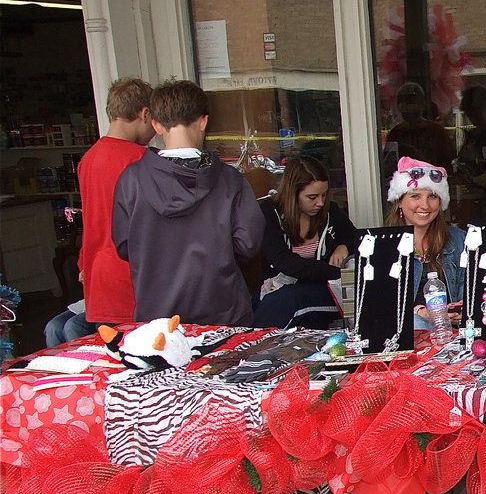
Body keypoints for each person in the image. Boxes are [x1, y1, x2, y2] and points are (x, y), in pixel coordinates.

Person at [112, 78, 265, 326]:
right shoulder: (229, 180)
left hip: (157, 315)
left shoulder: (132, 180)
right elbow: (248, 245)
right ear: (203, 122)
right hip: (223, 310)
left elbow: (124, 246)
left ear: (156, 125)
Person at [43, 77, 156, 347]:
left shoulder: (89, 158)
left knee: (105, 355)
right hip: (131, 275)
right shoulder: (142, 160)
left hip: (98, 272)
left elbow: (93, 219)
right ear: (144, 114)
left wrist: (84, 264)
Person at [254, 156, 357, 329]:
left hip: (324, 290)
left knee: (287, 300)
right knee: (279, 301)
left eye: (324, 195)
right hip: (280, 288)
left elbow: (358, 238)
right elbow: (284, 262)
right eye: (312, 197)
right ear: (292, 194)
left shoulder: (330, 211)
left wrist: (344, 246)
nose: (320, 203)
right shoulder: (269, 213)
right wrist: (335, 272)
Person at [384, 156, 466, 329]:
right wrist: (419, 312)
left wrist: (461, 311)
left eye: (432, 196)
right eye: (415, 196)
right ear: (399, 201)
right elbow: (381, 306)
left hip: (453, 332)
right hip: (409, 332)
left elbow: (474, 292)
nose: (425, 205)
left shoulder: (459, 239)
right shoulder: (384, 244)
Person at [385, 82, 455, 170]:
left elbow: (448, 163)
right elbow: (389, 164)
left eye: (413, 104)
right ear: (399, 107)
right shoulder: (395, 134)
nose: (410, 110)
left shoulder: (436, 131)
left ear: (423, 105)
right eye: (406, 105)